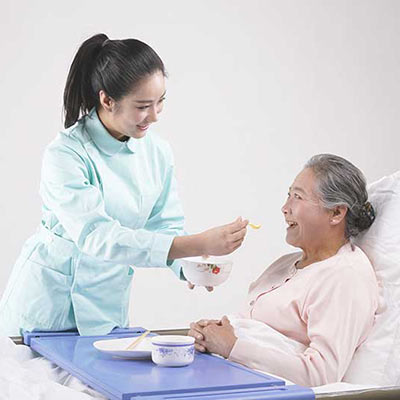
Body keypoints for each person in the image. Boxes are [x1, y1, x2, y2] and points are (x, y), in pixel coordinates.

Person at [0, 33, 248, 337]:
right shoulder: (65, 153)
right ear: (107, 100)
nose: (154, 116)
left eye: (160, 102)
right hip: (45, 309)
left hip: (105, 309)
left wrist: (190, 267)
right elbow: (96, 235)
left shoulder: (157, 153)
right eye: (143, 106)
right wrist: (198, 243)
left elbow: (165, 224)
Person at [189, 154, 379, 387]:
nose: (285, 208)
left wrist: (231, 346)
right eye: (288, 195)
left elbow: (321, 375)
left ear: (336, 213)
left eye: (298, 197)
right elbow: (252, 329)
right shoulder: (285, 264)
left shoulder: (345, 277)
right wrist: (211, 334)